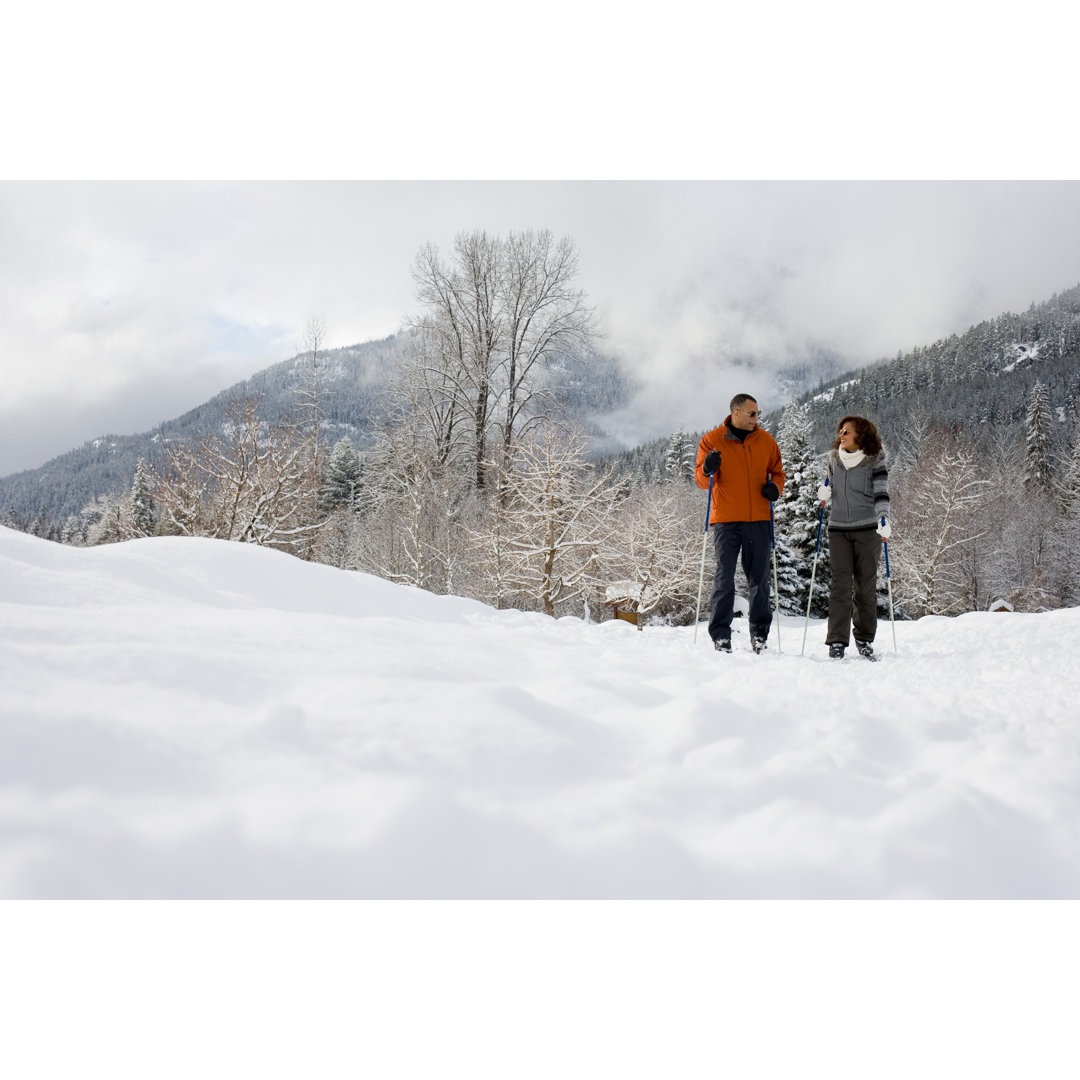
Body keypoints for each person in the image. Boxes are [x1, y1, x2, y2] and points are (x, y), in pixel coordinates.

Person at [695, 394, 786, 653]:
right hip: (726, 520)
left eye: (758, 413)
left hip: (759, 518)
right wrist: (707, 468)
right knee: (724, 579)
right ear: (736, 413)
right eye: (752, 414)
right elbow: (702, 481)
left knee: (759, 579)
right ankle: (721, 636)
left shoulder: (766, 441)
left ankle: (760, 635)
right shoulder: (712, 441)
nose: (757, 418)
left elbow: (778, 472)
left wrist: (775, 489)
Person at [817, 415, 891, 660]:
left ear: (861, 435)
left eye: (847, 431)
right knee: (840, 585)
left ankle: (864, 638)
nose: (842, 434)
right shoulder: (833, 459)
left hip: (867, 529)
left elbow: (881, 493)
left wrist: (883, 518)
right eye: (840, 430)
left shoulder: (875, 461)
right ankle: (837, 641)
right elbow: (828, 483)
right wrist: (825, 491)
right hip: (837, 528)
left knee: (865, 587)